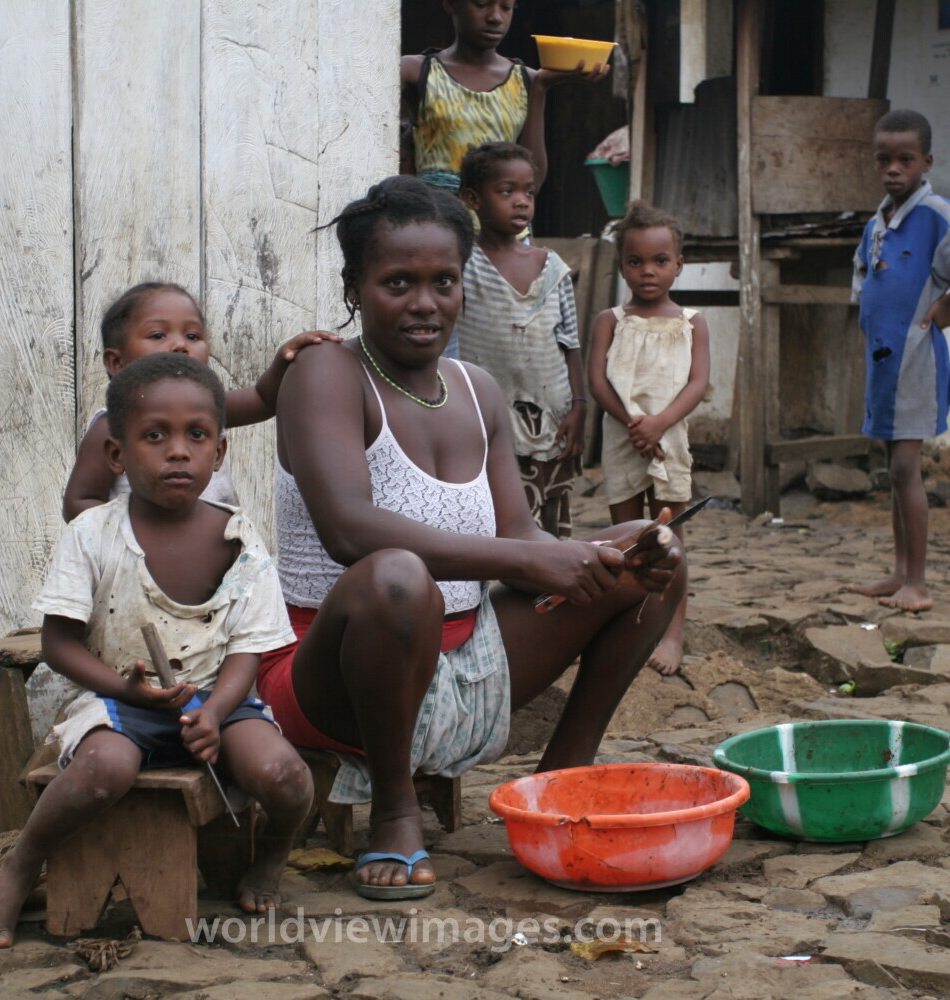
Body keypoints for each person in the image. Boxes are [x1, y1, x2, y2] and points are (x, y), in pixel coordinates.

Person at [259, 175, 684, 901]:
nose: (425, 303)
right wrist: (532, 558)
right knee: (395, 576)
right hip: (331, 679)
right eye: (398, 282)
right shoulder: (326, 373)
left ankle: (560, 780)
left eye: (443, 282)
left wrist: (591, 558)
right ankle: (394, 813)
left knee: (651, 553)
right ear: (354, 287)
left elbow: (516, 532)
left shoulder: (476, 387)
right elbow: (347, 529)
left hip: (468, 664)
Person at [0, 353, 313, 949]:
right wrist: (123, 687)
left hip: (218, 701)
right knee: (104, 770)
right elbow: (58, 643)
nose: (178, 451)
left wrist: (214, 712)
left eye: (196, 436)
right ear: (118, 455)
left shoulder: (238, 537)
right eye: (155, 436)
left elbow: (248, 651)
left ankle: (272, 853)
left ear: (219, 453)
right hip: (124, 702)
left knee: (283, 774)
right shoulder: (93, 533)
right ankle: (22, 864)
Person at [848, 109, 950, 612]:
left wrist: (949, 300)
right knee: (891, 465)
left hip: (915, 356)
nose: (893, 169)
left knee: (905, 467)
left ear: (926, 161)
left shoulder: (935, 213)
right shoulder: (880, 220)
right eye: (884, 160)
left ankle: (918, 583)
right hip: (883, 360)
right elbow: (864, 272)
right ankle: (899, 572)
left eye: (905, 159)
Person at [62, 282, 336, 521]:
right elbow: (79, 502)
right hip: (142, 568)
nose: (181, 345)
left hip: (217, 557)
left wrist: (286, 361)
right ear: (116, 362)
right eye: (158, 335)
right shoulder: (113, 425)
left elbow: (262, 399)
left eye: (192, 336)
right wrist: (132, 534)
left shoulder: (207, 410)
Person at [587, 201, 709, 677]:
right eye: (635, 262)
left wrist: (658, 424)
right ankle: (628, 628)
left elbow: (698, 383)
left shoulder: (691, 322)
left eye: (660, 261)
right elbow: (597, 379)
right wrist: (632, 422)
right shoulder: (610, 319)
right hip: (622, 440)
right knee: (626, 540)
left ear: (679, 264)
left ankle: (673, 633)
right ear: (622, 266)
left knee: (669, 537)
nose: (648, 271)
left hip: (669, 439)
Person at [453, 142, 585, 538]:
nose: (521, 202)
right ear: (473, 199)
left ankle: (549, 596)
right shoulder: (463, 265)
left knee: (551, 518)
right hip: (492, 417)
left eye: (528, 192)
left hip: (553, 413)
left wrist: (579, 405)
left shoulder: (552, 267)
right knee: (501, 520)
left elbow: (571, 345)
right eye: (506, 191)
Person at [400, 0, 608, 195]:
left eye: (506, 7)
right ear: (450, 3)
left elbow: (532, 181)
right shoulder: (417, 72)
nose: (495, 17)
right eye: (482, 4)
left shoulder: (525, 80)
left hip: (500, 230)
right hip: (438, 223)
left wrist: (540, 88)